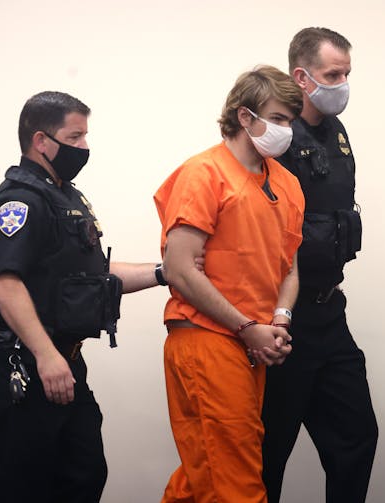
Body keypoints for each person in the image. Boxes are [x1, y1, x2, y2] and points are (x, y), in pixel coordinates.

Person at [0, 91, 174, 503]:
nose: (84, 147)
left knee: (83, 473)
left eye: (85, 136)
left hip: (64, 360)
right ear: (41, 141)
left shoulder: (66, 196)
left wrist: (164, 274)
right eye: (75, 137)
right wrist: (46, 356)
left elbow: (93, 273)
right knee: (25, 486)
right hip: (29, 366)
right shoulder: (20, 201)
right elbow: (4, 283)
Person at [155, 65, 304, 503]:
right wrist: (245, 327)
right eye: (277, 118)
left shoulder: (288, 184)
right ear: (244, 116)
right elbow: (180, 269)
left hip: (252, 342)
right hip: (207, 340)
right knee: (236, 486)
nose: (285, 130)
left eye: (290, 121)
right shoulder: (204, 174)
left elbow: (290, 268)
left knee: (202, 477)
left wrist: (279, 318)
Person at [261, 27, 378, 503]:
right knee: (268, 452)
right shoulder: (276, 136)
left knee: (356, 437)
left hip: (329, 311)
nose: (343, 84)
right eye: (333, 74)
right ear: (302, 78)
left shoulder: (337, 132)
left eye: (347, 73)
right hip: (281, 318)